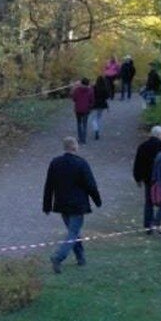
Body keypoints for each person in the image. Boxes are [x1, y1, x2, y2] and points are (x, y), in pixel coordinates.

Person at [43, 137, 102, 273]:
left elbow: (49, 186)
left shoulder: (55, 163)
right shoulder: (81, 163)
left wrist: (47, 205)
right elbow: (91, 185)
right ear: (75, 147)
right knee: (73, 232)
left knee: (74, 231)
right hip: (77, 205)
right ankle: (58, 257)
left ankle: (81, 258)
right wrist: (97, 200)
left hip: (62, 204)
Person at [133, 125, 161, 234]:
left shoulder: (143, 146)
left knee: (149, 202)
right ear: (160, 135)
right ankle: (157, 222)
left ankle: (148, 225)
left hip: (148, 178)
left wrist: (138, 178)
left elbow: (138, 163)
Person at [70, 78, 94, 144]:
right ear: (88, 83)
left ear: (81, 83)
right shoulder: (90, 91)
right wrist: (90, 107)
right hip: (86, 109)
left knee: (79, 124)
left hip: (78, 109)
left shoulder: (77, 90)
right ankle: (84, 139)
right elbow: (92, 101)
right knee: (85, 124)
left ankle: (80, 138)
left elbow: (74, 99)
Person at [91, 76, 109, 140]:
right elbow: (107, 97)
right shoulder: (105, 88)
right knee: (99, 117)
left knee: (94, 119)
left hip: (95, 104)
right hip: (102, 105)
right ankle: (98, 130)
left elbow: (91, 95)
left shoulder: (94, 88)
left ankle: (96, 129)